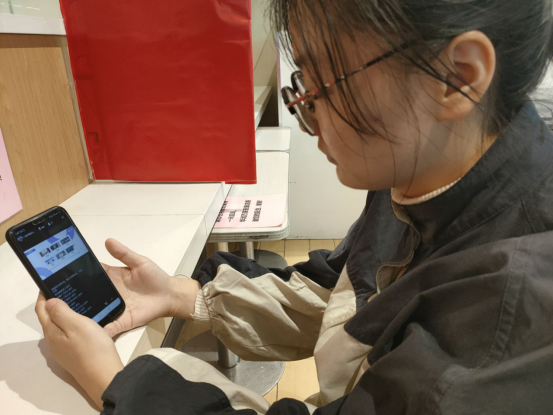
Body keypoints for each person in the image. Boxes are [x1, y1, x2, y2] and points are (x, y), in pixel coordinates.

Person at [35, 0, 553, 413]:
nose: (306, 111)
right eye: (302, 82)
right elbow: (341, 294)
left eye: (325, 81)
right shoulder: (416, 174)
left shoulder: (506, 321)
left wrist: (114, 382)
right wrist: (180, 293)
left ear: (455, 77)